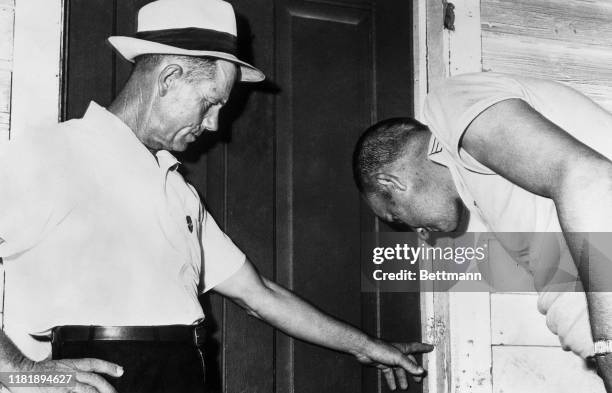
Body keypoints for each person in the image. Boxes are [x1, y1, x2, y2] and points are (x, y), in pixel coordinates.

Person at [0, 0, 433, 392]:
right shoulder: (54, 151)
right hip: (101, 377)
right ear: (169, 78)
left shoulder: (177, 190)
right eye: (210, 103)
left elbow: (260, 295)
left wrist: (366, 346)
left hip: (187, 372)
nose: (213, 125)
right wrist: (22, 371)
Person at [352, 71, 612, 391]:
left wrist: (606, 347)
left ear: (390, 183)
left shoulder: (449, 104)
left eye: (396, 218)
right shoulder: (484, 192)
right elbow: (564, 281)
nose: (417, 232)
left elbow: (588, 180)